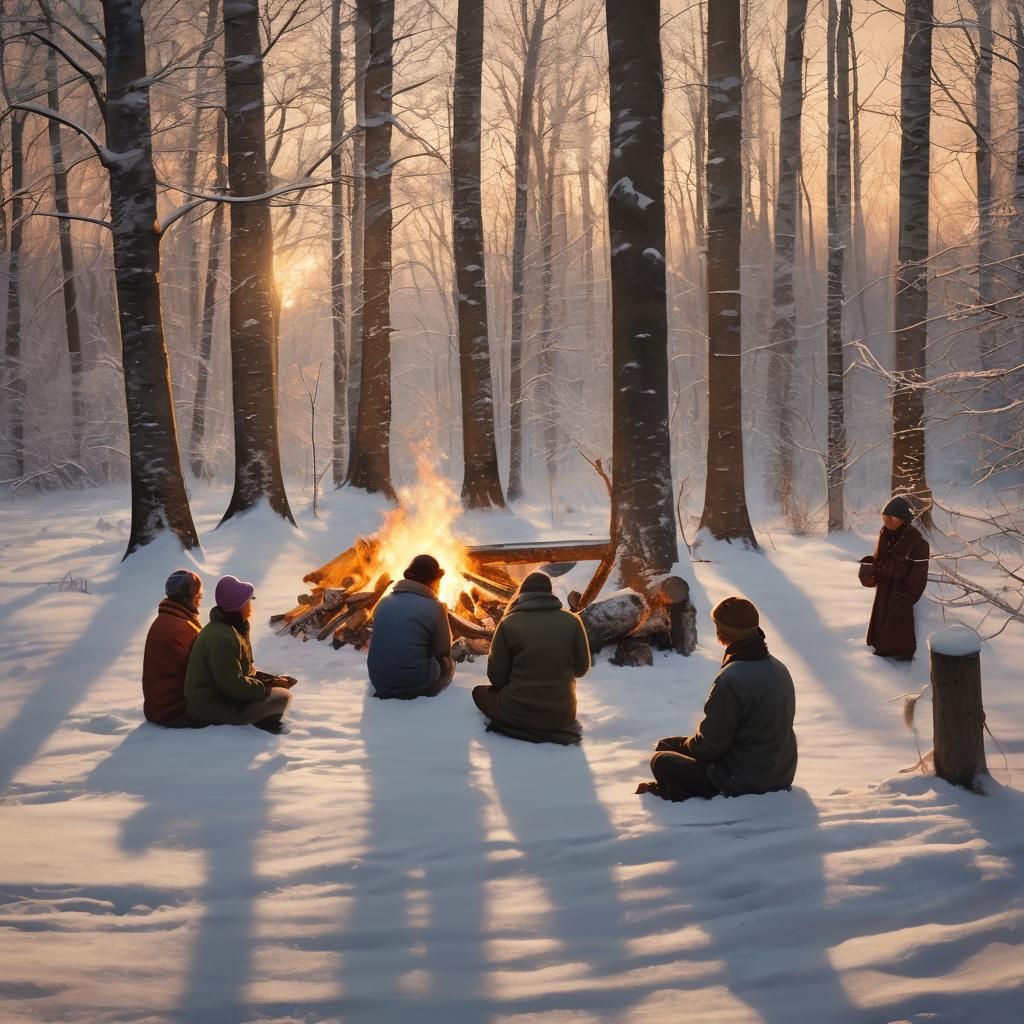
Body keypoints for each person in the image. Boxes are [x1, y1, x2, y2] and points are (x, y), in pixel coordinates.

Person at [637, 596, 797, 801]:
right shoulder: (778, 667)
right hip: (780, 773)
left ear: (723, 632)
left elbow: (709, 747)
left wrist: (688, 746)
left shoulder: (733, 678)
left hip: (743, 780)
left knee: (662, 759)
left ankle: (690, 794)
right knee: (671, 746)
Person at [472, 571, 591, 745]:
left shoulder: (508, 623)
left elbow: (496, 679)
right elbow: (581, 670)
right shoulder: (572, 621)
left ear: (521, 596)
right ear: (550, 594)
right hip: (563, 715)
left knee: (478, 692)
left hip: (517, 709)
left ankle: (519, 725)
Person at [184, 575, 296, 733]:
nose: (251, 605)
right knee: (281, 697)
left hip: (219, 699)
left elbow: (241, 671)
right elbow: (232, 684)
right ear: (239, 606)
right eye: (249, 600)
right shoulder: (223, 638)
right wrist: (264, 688)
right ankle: (251, 729)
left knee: (278, 692)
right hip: (209, 708)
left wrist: (271, 680)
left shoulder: (231, 629)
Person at [367, 554, 454, 699]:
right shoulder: (435, 607)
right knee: (448, 662)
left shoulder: (384, 602)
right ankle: (432, 691)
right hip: (414, 682)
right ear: (432, 581)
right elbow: (443, 650)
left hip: (379, 681)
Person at [859, 495, 930, 661]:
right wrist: (871, 566)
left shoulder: (918, 543)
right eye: (884, 515)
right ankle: (882, 649)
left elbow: (919, 575)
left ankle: (900, 656)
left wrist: (904, 598)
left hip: (901, 592)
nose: (886, 519)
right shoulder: (886, 535)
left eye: (891, 516)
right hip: (885, 589)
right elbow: (883, 560)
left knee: (898, 626)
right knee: (883, 621)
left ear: (903, 518)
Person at [142, 570, 203, 726]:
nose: (201, 597)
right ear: (190, 596)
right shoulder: (182, 629)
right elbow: (204, 673)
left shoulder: (164, 620)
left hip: (157, 708)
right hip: (174, 712)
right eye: (198, 593)